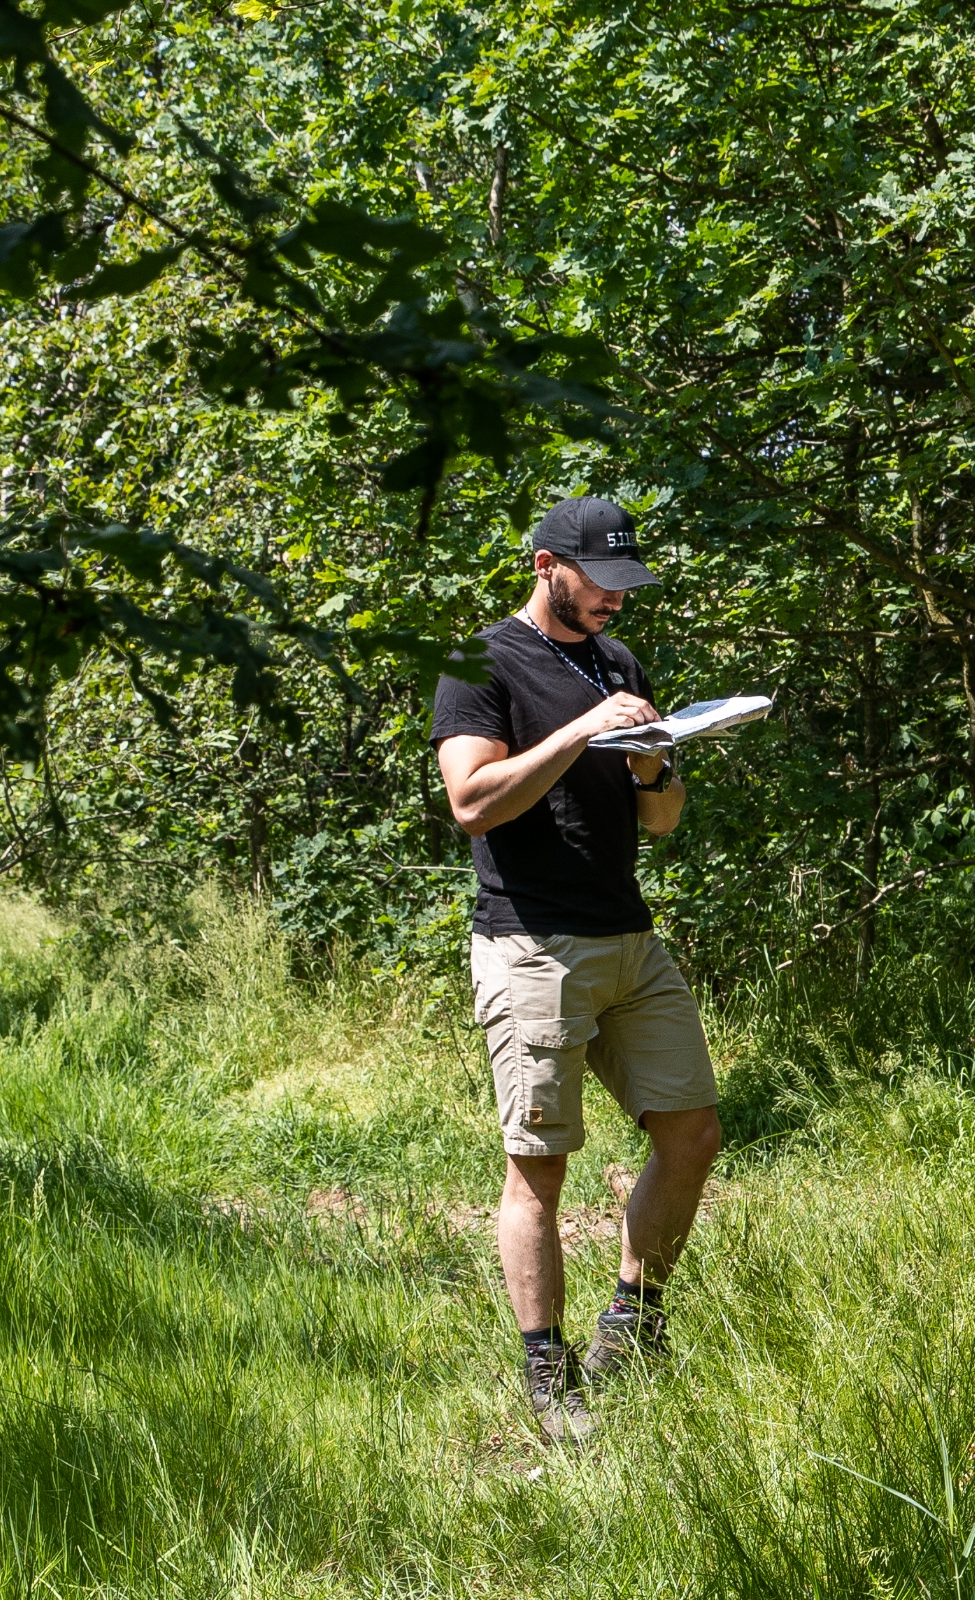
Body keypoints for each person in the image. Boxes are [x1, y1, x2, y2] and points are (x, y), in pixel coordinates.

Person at [430, 495, 720, 1441]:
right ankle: (547, 1376)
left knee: (693, 1133)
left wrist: (653, 766)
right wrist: (582, 731)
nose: (617, 605)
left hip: (629, 937)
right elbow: (472, 801)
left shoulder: (617, 660)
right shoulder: (481, 663)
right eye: (602, 585)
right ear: (548, 564)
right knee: (540, 1171)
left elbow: (663, 822)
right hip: (534, 942)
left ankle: (632, 1322)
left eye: (629, 589)